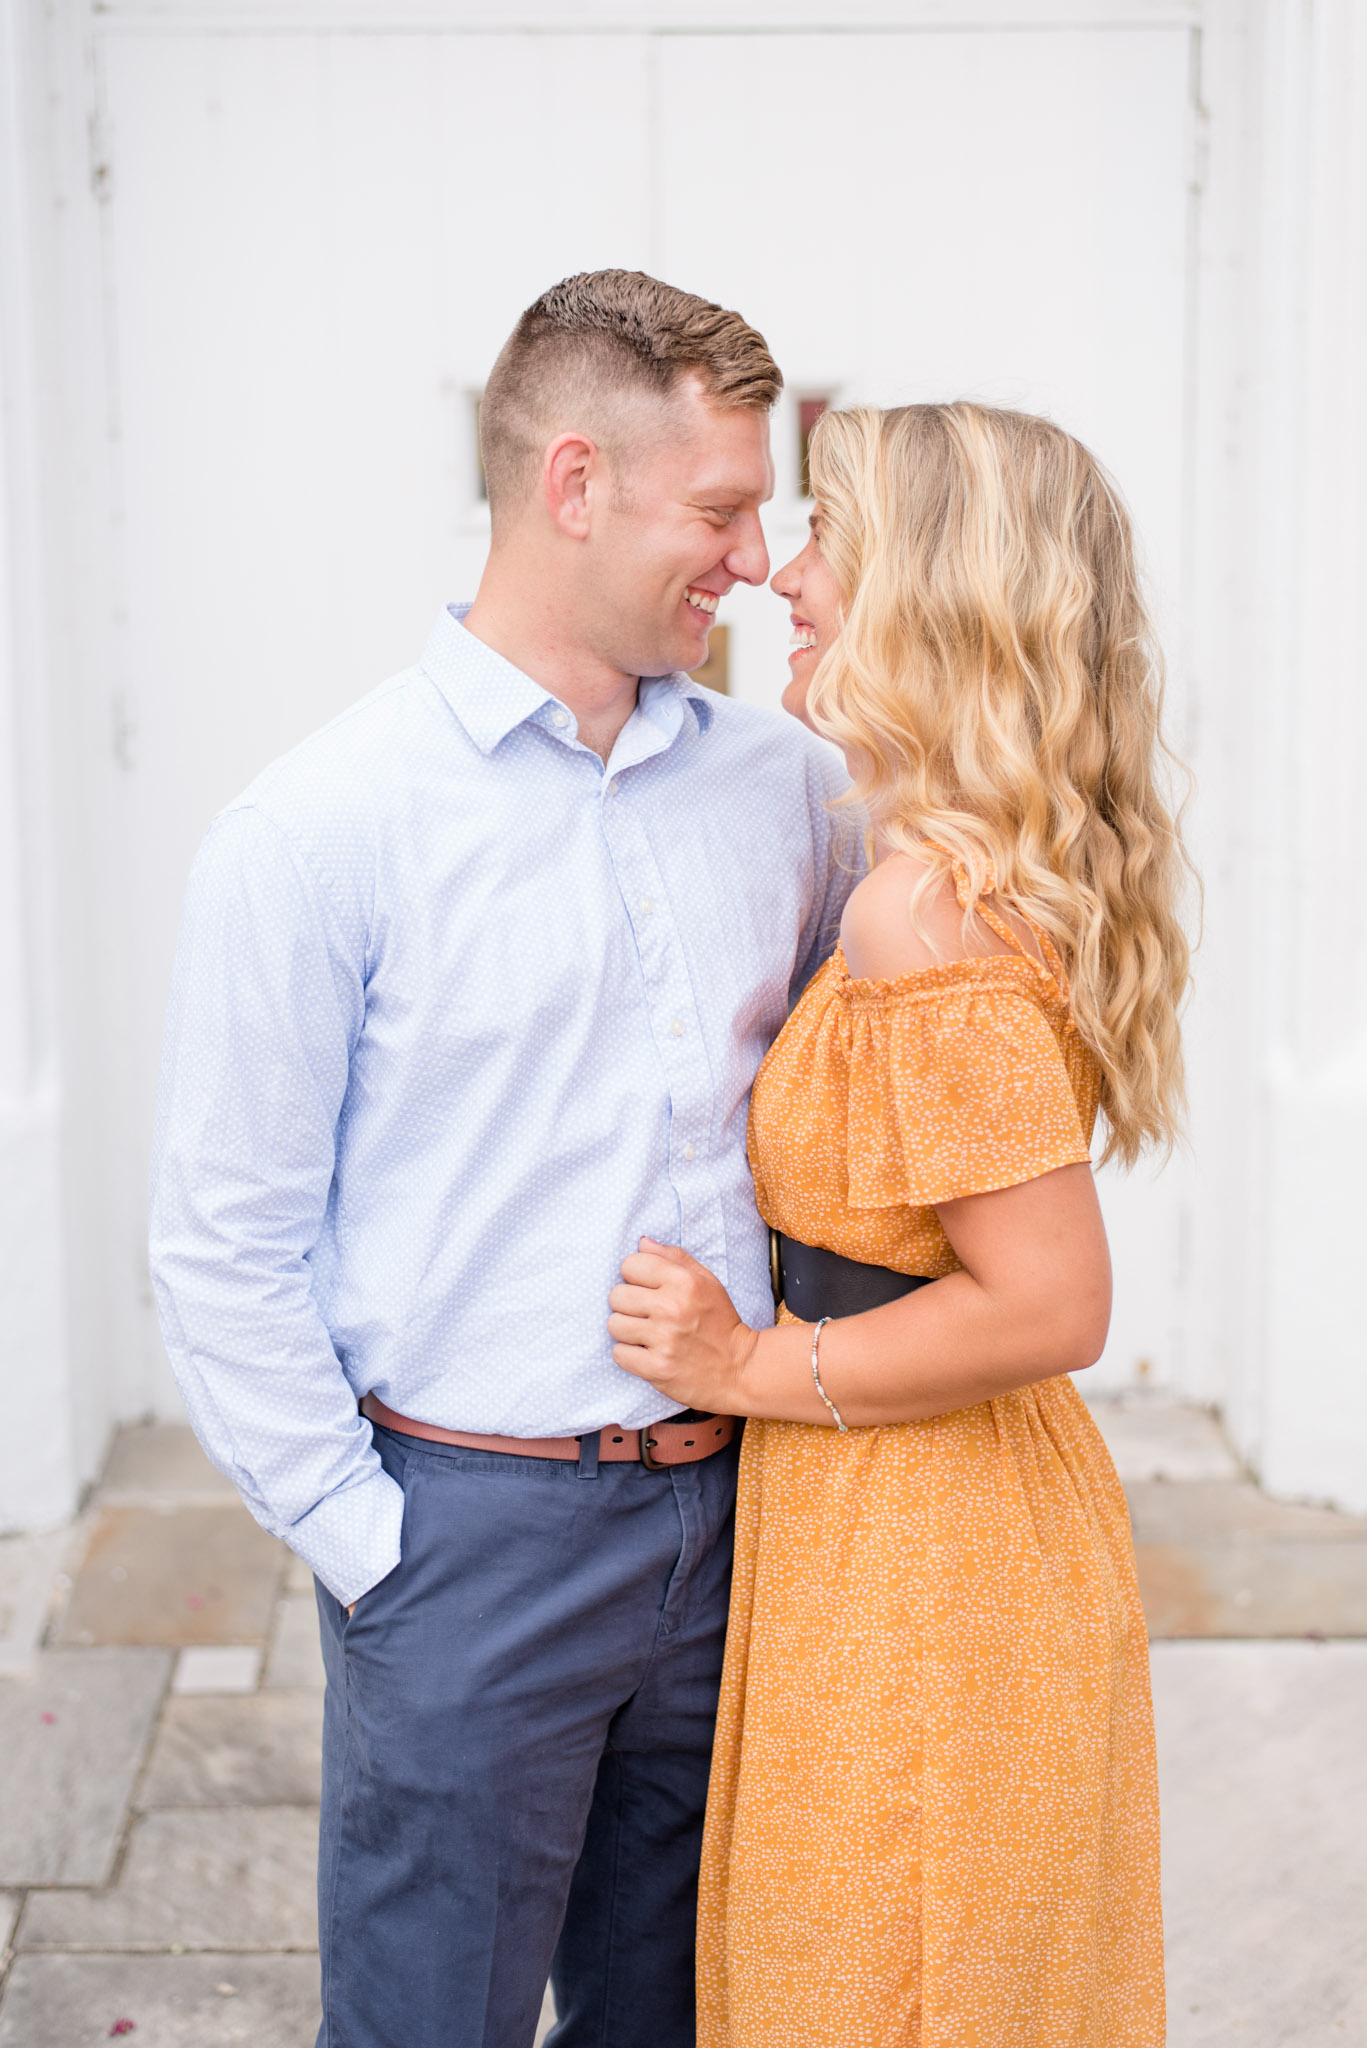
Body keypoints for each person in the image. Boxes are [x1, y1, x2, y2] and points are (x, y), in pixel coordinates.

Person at [148, 270, 860, 2048]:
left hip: (740, 1514)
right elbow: (220, 1244)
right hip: (467, 1540)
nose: (756, 556)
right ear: (572, 485)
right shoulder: (317, 833)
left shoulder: (792, 794)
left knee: (687, 2014)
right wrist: (371, 1548)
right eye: (717, 507)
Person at [608, 401, 1191, 2048]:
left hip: (927, 1542)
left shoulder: (919, 914)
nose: (785, 575)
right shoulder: (957, 868)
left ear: (931, 591)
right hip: (933, 1508)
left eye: (829, 542)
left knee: (879, 1975)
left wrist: (744, 1360)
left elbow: (1050, 1301)